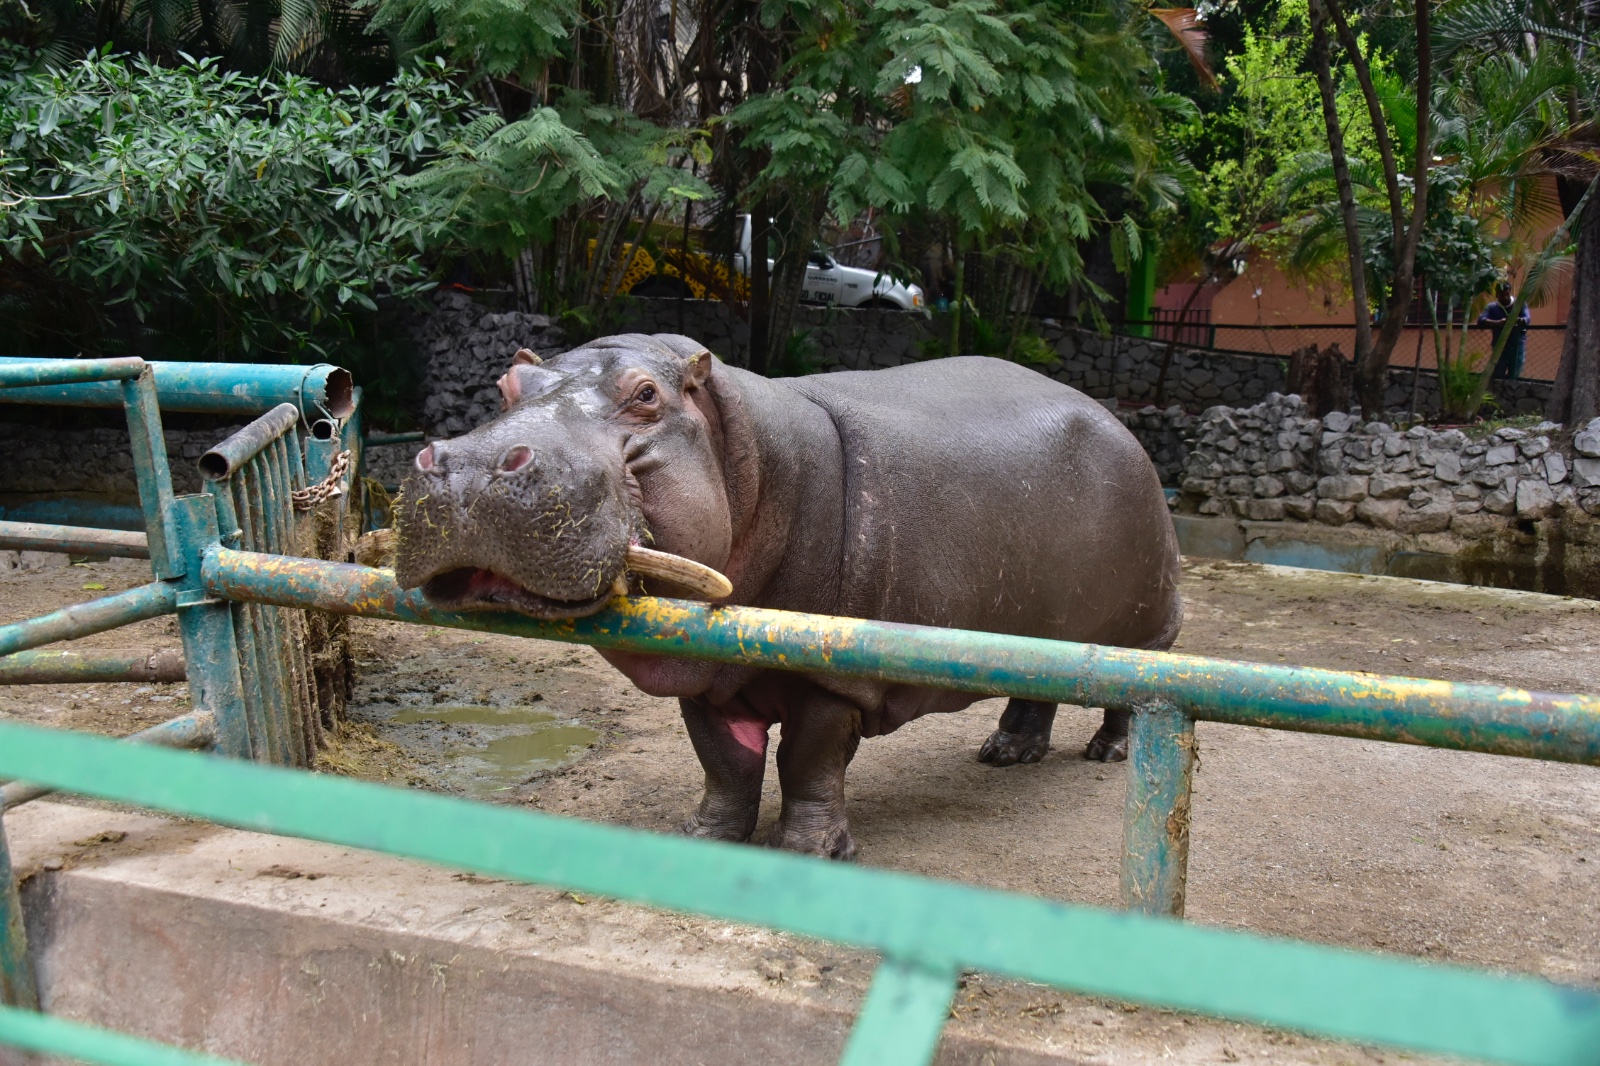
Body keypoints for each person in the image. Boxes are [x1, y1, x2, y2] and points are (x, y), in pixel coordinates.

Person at [1477, 283, 1530, 381]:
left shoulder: (1519, 304)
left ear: (1510, 293)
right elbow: (1481, 320)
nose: (1505, 297)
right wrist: (1498, 323)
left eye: (1507, 294)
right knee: (1497, 374)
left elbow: (1527, 319)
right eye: (1502, 295)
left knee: (1514, 374)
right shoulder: (1492, 307)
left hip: (1517, 346)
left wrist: (1517, 320)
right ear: (1497, 295)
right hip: (1499, 345)